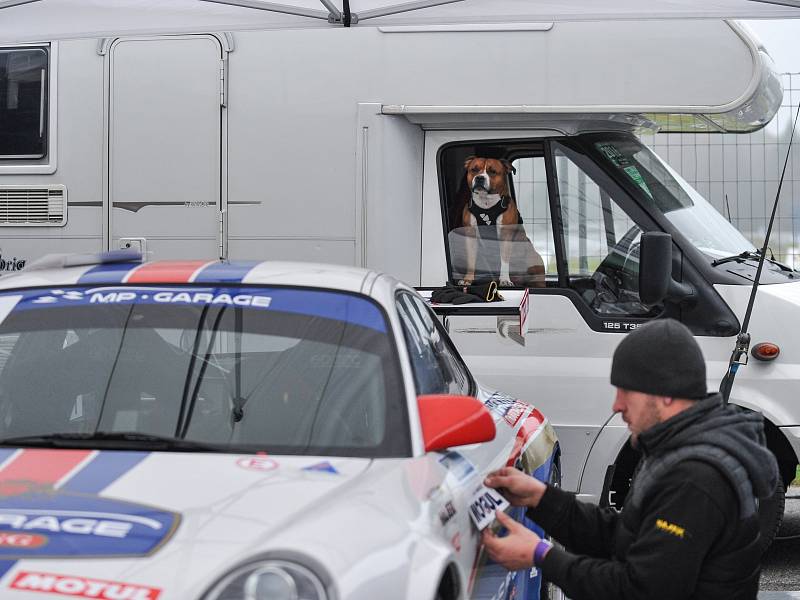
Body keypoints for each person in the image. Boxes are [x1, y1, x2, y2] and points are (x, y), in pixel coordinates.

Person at [481, 318, 780, 600]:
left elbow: (640, 591)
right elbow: (627, 536)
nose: (617, 405)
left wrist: (541, 555)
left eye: (626, 391)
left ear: (665, 392)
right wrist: (541, 499)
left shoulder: (696, 478)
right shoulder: (679, 447)